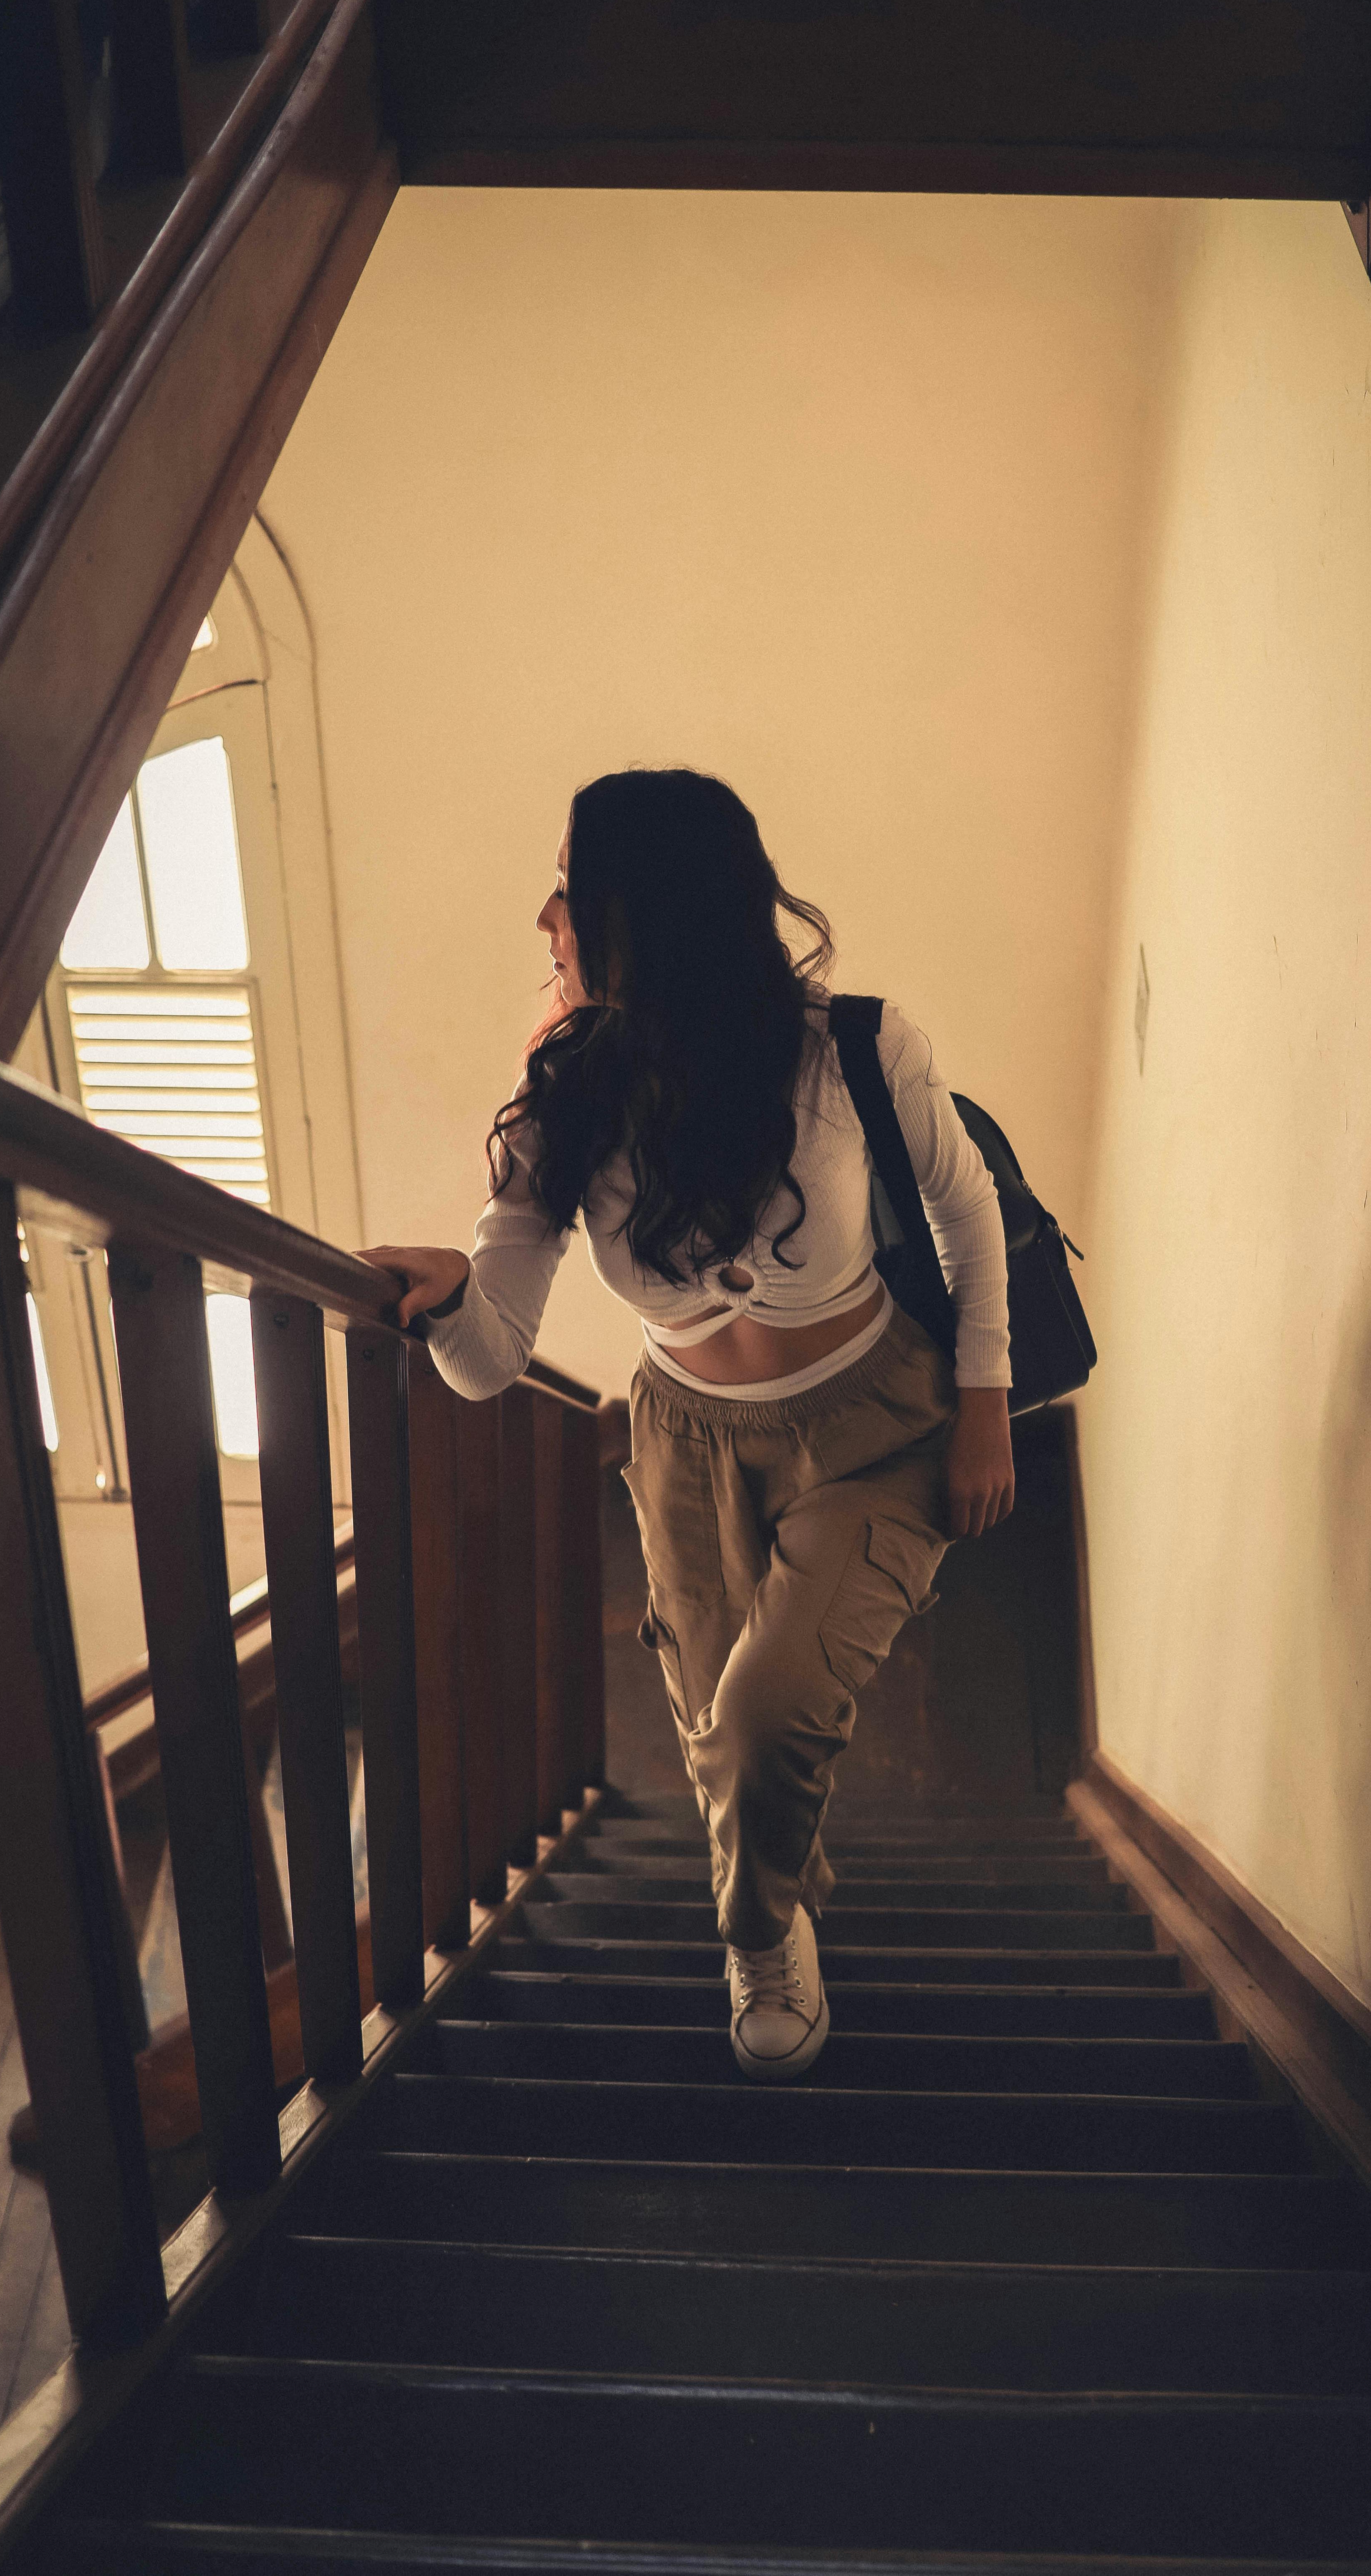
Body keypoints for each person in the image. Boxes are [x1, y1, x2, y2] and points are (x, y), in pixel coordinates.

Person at [361, 768, 1014, 2082]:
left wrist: (987, 1406)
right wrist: (444, 1301)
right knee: (718, 1730)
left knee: (771, 1716)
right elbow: (492, 1365)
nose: (547, 914)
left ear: (647, 911)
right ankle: (783, 1889)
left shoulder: (859, 1049)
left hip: (875, 1424)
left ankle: (758, 1931)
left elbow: (968, 1210)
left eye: (571, 885)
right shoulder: (565, 1096)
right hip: (687, 1451)